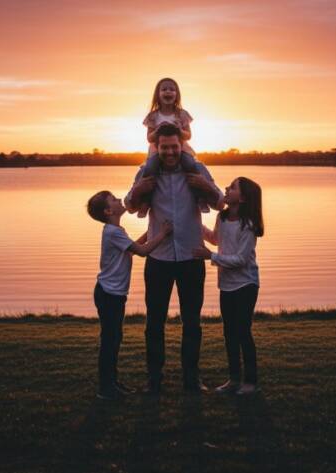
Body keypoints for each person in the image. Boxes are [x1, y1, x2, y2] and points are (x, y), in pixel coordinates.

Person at [125, 124, 224, 394]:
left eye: (174, 147)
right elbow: (130, 204)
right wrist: (136, 191)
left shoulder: (197, 169)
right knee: (154, 323)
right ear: (157, 147)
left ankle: (192, 379)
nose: (170, 152)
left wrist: (204, 185)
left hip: (192, 257)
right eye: (164, 147)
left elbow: (219, 202)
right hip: (158, 259)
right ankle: (153, 379)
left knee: (192, 322)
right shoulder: (146, 172)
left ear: (182, 146)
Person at [87, 190, 173, 400]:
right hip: (109, 294)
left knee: (114, 338)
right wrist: (163, 233)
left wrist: (152, 233)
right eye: (114, 200)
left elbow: (133, 248)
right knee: (110, 340)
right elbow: (143, 252)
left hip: (112, 293)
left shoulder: (115, 230)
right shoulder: (113, 232)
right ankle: (106, 389)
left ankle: (112, 383)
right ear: (108, 211)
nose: (120, 200)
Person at [193, 177, 264, 395]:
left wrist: (210, 256)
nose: (226, 188)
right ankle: (234, 380)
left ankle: (250, 382)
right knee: (229, 333)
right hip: (226, 285)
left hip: (245, 284)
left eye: (232, 187)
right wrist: (196, 223)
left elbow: (241, 259)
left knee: (243, 332)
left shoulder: (248, 226)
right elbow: (215, 239)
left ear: (242, 198)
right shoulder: (222, 217)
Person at [137, 77, 207, 217]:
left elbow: (188, 135)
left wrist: (179, 130)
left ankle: (200, 198)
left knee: (191, 165)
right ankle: (145, 203)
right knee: (149, 169)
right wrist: (157, 130)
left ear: (176, 94)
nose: (168, 92)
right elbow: (149, 138)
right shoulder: (153, 116)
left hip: (180, 149)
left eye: (171, 89)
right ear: (158, 94)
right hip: (158, 150)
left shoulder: (182, 114)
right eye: (164, 89)